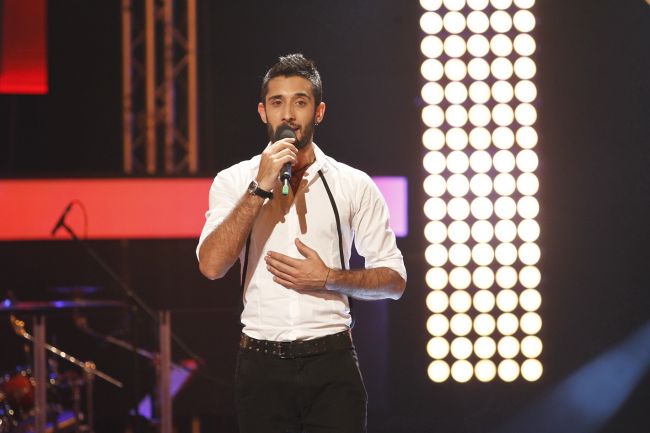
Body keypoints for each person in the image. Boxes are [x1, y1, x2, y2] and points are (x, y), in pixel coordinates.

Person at [197, 53, 407, 433]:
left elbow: (394, 281)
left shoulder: (353, 184)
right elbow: (212, 266)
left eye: (300, 102)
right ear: (263, 111)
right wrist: (260, 186)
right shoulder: (234, 181)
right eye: (277, 102)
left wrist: (328, 277)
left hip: (331, 361)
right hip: (261, 365)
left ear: (319, 112)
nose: (288, 115)